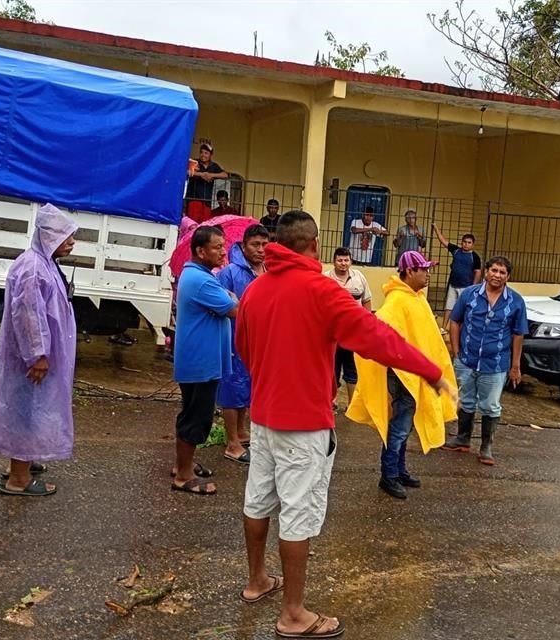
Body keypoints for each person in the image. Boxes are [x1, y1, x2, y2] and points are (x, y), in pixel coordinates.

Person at [235, 210, 453, 639]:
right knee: (298, 515)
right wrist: (430, 370)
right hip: (304, 425)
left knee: (258, 500)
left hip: (263, 417)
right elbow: (377, 338)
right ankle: (293, 613)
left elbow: (243, 347)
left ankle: (256, 580)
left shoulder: (255, 290)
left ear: (276, 242)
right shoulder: (323, 291)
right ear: (314, 246)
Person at [347, 251, 457, 499]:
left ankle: (399, 469)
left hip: (414, 374)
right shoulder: (397, 301)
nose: (428, 274)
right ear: (409, 271)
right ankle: (389, 475)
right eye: (423, 269)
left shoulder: (416, 298)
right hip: (402, 376)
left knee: (404, 426)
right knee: (399, 427)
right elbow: (384, 336)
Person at [0, 205, 78, 497]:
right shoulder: (33, 268)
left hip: (39, 356)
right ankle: (18, 478)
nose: (72, 242)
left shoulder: (44, 263)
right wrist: (37, 354)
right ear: (48, 236)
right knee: (25, 411)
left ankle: (23, 462)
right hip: (31, 358)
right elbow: (28, 315)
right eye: (66, 236)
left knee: (32, 409)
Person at [171, 225, 238, 495]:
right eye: (217, 247)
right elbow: (234, 308)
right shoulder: (201, 280)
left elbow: (228, 301)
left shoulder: (199, 276)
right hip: (200, 362)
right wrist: (230, 298)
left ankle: (182, 464)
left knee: (191, 413)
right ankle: (183, 476)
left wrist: (228, 297)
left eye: (223, 246)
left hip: (199, 360)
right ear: (200, 251)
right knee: (196, 418)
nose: (223, 252)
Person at [442, 256, 528, 465]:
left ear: (508, 277)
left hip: (496, 364)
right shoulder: (470, 295)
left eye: (502, 272)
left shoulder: (515, 302)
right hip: (467, 360)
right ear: (486, 271)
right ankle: (462, 439)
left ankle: (486, 446)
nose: (497, 275)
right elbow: (455, 321)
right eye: (494, 270)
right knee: (467, 401)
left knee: (490, 405)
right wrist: (456, 351)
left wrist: (515, 366)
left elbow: (518, 334)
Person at [216, 224, 269, 465]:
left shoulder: (268, 269)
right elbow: (222, 304)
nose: (260, 250)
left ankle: (241, 430)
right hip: (234, 338)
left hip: (259, 339)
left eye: (264, 244)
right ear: (244, 246)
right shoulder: (230, 272)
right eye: (255, 245)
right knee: (231, 386)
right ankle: (232, 443)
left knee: (249, 385)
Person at [323, 247, 373, 411]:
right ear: (334, 261)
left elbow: (366, 301)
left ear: (350, 261)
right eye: (340, 260)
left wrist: (366, 324)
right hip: (332, 333)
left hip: (353, 331)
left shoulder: (359, 277)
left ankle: (352, 406)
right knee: (332, 368)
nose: (343, 264)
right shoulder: (326, 279)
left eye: (346, 260)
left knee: (352, 368)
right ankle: (332, 402)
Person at [431, 223, 482, 331]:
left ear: (473, 245)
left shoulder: (475, 257)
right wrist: (436, 229)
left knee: (464, 308)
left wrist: (473, 287)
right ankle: (443, 327)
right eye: (464, 242)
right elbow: (443, 241)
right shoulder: (456, 250)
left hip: (466, 287)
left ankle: (462, 329)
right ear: (461, 242)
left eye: (469, 243)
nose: (466, 244)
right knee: (448, 306)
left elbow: (477, 272)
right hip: (453, 285)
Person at [185, 141, 228, 223]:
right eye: (201, 152)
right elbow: (188, 172)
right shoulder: (195, 162)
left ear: (211, 155)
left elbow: (225, 175)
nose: (203, 155)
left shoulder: (213, 166)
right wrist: (201, 174)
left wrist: (211, 175)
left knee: (204, 225)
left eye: (206, 153)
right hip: (194, 199)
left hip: (207, 201)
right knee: (193, 224)